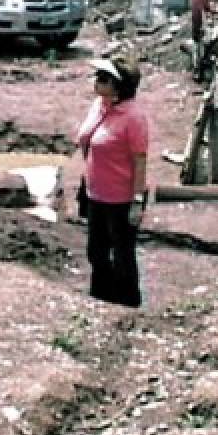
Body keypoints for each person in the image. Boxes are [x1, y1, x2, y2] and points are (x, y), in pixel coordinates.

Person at [75, 52, 151, 307]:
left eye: (104, 77)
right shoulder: (100, 107)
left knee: (122, 256)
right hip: (95, 192)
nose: (97, 80)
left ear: (118, 86)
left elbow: (140, 160)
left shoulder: (133, 118)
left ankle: (128, 305)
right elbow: (86, 140)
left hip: (121, 198)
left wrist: (137, 201)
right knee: (96, 252)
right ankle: (101, 300)